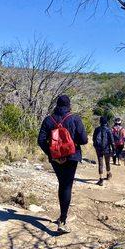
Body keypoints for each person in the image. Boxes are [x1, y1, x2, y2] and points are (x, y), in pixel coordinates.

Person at [37, 95, 88, 234]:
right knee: (67, 185)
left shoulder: (49, 119)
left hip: (55, 159)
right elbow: (84, 140)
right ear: (69, 105)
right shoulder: (75, 118)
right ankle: (63, 219)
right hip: (72, 156)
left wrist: (52, 154)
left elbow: (40, 140)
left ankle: (62, 217)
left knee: (62, 184)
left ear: (57, 104)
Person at [93, 116, 115, 186]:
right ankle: (108, 174)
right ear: (106, 122)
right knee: (107, 162)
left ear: (100, 122)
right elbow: (112, 141)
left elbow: (93, 139)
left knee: (100, 163)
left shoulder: (97, 129)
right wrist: (114, 150)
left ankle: (101, 179)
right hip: (106, 149)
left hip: (99, 149)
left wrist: (96, 146)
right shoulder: (109, 130)